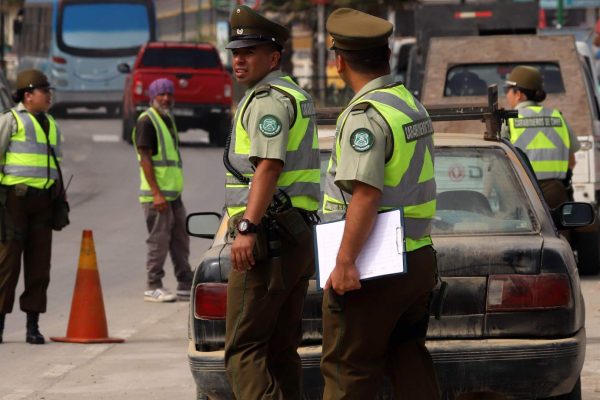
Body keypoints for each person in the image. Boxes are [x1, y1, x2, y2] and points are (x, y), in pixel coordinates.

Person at [320, 8, 440, 399]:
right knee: (407, 357)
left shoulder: (364, 116)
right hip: (417, 256)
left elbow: (366, 193)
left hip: (374, 266)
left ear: (339, 62)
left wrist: (345, 261)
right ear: (386, 56)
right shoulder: (407, 103)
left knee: (347, 369)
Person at [223, 5, 320, 399]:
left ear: (274, 57)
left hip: (267, 240)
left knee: (243, 349)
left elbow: (267, 168)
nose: (239, 60)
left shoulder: (267, 100)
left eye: (249, 52)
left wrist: (246, 227)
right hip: (294, 234)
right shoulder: (294, 94)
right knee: (281, 350)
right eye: (235, 52)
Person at [0, 69, 61, 344]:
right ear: (28, 95)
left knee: (39, 266)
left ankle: (32, 326)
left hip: (43, 202)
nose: (49, 96)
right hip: (14, 202)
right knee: (7, 263)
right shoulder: (10, 121)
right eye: (44, 91)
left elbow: (55, 165)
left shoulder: (52, 124)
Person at [133, 78, 193, 303]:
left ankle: (185, 283)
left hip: (173, 195)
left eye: (169, 94)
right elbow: (145, 160)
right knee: (158, 242)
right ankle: (153, 285)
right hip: (156, 196)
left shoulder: (166, 118)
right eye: (161, 95)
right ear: (152, 97)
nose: (166, 98)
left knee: (180, 240)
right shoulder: (147, 121)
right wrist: (157, 193)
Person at [503, 65, 580, 208]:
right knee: (560, 230)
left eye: (507, 90)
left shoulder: (508, 121)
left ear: (518, 94)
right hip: (556, 194)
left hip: (522, 192)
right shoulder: (558, 117)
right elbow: (571, 161)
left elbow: (500, 163)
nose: (506, 94)